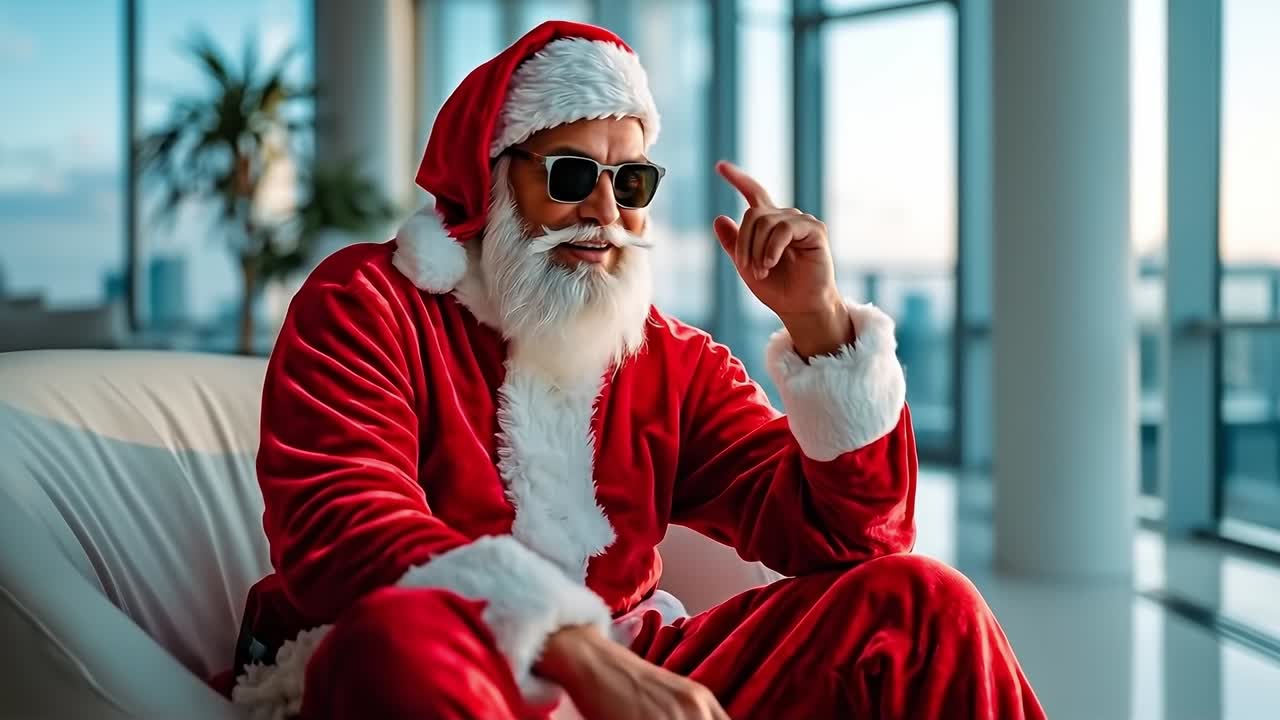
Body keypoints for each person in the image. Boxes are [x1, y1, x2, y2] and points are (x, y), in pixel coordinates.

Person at [215, 20, 1045, 720]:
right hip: (439, 662)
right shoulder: (367, 302)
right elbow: (342, 523)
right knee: (399, 650)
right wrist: (568, 646)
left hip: (634, 661)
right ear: (489, 183)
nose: (607, 212)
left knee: (924, 607)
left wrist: (817, 323)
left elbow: (853, 537)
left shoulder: (665, 356)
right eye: (572, 175)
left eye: (632, 180)